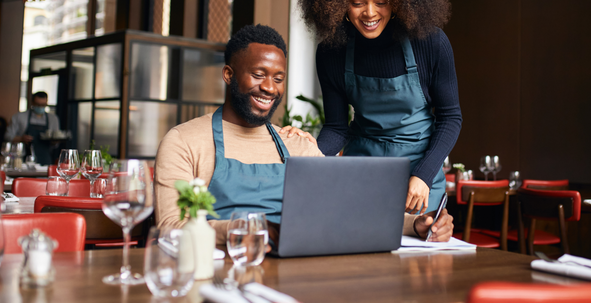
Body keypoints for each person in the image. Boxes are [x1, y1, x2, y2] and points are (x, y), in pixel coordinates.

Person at [155, 24, 453, 244]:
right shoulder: (184, 141)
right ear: (229, 74)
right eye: (258, 75)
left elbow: (348, 212)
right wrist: (246, 231)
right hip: (218, 270)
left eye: (278, 78)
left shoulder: (296, 144)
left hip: (294, 272)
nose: (270, 88)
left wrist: (417, 225)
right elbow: (169, 228)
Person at [289, 0, 462, 215]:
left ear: (397, 1)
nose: (369, 13)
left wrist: (424, 175)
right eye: (357, 3)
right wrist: (310, 153)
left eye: (381, 2)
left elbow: (451, 117)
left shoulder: (429, 42)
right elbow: (337, 127)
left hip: (418, 180)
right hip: (361, 173)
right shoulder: (332, 52)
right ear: (340, 3)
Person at [5, 91, 60, 165]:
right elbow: (7, 137)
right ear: (32, 103)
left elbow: (56, 143)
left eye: (43, 105)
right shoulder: (19, 117)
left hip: (45, 158)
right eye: (38, 104)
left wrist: (54, 140)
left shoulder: (53, 119)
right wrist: (21, 139)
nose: (40, 107)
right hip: (23, 158)